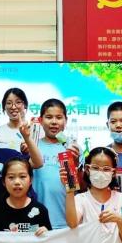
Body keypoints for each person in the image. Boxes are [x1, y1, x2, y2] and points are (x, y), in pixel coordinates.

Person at [31, 98, 81, 230]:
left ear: (66, 121)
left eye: (59, 117)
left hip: (66, 221)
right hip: (36, 221)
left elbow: (80, 187)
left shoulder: (73, 147)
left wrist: (76, 164)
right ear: (40, 120)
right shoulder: (33, 146)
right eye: (49, 117)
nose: (54, 122)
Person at [0, 157, 51, 235]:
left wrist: (46, 232)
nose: (17, 182)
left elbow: (50, 239)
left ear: (31, 180)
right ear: (4, 181)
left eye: (22, 177)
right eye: (11, 177)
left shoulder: (41, 210)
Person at [0, 87, 31, 151]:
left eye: (18, 102)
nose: (13, 107)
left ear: (25, 105)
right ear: (4, 106)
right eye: (9, 103)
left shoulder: (34, 130)